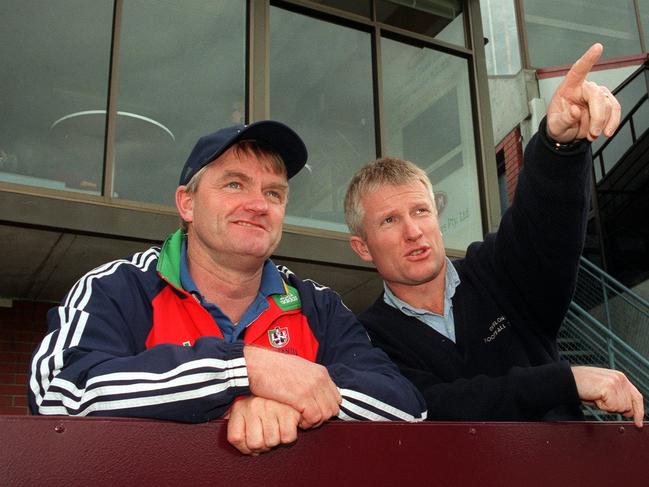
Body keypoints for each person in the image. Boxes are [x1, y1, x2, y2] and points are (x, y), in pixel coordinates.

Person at [29, 120, 426, 455]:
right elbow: (56, 397)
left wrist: (285, 401)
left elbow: (407, 408)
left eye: (273, 193)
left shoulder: (319, 305)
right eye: (235, 185)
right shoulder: (117, 287)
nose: (258, 204)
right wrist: (242, 370)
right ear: (187, 204)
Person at [344, 44, 645, 426]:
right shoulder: (365, 338)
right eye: (389, 221)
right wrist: (563, 381)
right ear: (362, 248)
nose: (413, 231)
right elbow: (431, 407)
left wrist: (559, 143)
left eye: (421, 211)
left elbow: (544, 228)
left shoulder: (496, 272)